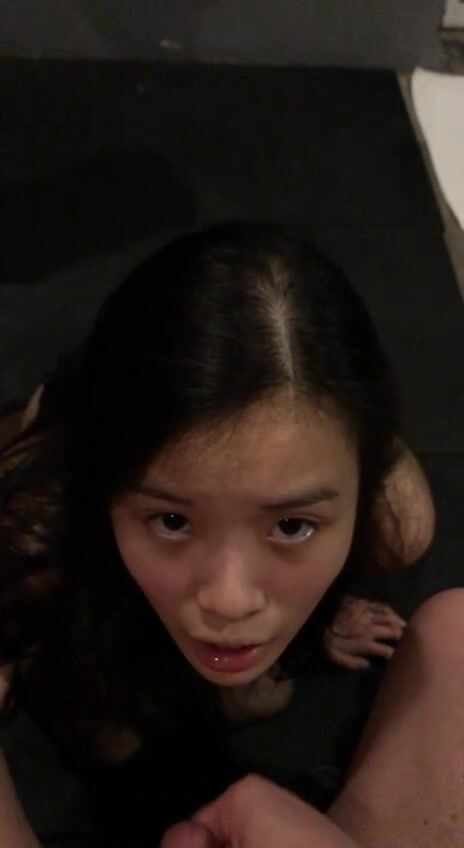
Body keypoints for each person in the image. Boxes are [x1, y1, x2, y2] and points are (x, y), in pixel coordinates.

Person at [0, 222, 450, 848]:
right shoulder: (37, 525)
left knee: (256, 699)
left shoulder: (392, 519)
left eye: (291, 525)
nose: (229, 601)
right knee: (111, 738)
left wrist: (327, 605)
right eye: (172, 521)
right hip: (91, 605)